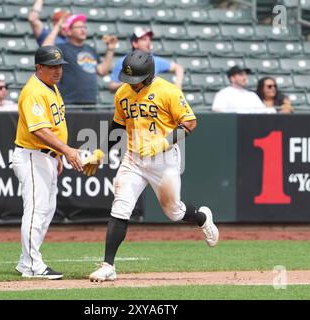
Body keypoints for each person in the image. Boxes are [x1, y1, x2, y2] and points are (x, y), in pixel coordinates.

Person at [82, 51, 219, 282]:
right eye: (129, 80)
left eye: (136, 80)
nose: (132, 85)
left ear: (149, 74)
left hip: (164, 159)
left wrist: (163, 142)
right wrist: (99, 152)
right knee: (121, 207)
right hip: (134, 158)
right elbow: (117, 126)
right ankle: (108, 265)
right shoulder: (123, 92)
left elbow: (190, 122)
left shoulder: (168, 91)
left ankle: (202, 218)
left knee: (174, 212)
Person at [12, 46, 84, 280]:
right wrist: (66, 150)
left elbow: (53, 126)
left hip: (47, 157)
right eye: (52, 66)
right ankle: (33, 264)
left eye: (60, 66)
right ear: (39, 67)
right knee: (35, 210)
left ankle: (27, 261)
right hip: (33, 155)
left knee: (46, 210)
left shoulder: (50, 87)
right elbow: (39, 130)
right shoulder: (34, 91)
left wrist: (58, 155)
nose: (57, 71)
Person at [57, 14, 117, 105]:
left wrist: (110, 49)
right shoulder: (62, 48)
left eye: (84, 27)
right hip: (70, 103)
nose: (83, 29)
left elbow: (102, 71)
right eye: (79, 27)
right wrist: (57, 27)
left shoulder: (90, 49)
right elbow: (45, 47)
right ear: (69, 31)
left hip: (91, 101)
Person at [108, 27, 184, 92]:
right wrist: (129, 82)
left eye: (149, 39)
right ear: (135, 43)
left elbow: (178, 68)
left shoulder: (154, 60)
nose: (148, 42)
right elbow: (111, 86)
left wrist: (177, 86)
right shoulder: (124, 61)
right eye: (144, 39)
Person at [212, 66, 276, 114]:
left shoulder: (252, 95)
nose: (245, 78)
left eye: (245, 75)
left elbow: (263, 112)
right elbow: (217, 111)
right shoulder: (224, 94)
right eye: (241, 75)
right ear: (232, 78)